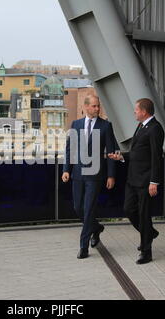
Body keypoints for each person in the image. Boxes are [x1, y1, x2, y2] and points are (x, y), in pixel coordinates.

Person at [108, 98, 164, 265]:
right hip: (133, 179)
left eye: (136, 110)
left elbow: (156, 157)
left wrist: (154, 181)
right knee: (128, 209)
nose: (134, 112)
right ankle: (150, 233)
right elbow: (137, 153)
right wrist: (121, 157)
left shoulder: (155, 128)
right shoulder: (141, 126)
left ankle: (146, 252)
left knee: (144, 215)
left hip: (146, 180)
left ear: (144, 111)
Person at [62, 94, 118, 259]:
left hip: (95, 175)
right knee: (77, 208)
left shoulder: (106, 126)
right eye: (94, 106)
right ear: (86, 107)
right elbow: (69, 149)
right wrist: (66, 170)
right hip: (78, 174)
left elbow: (112, 152)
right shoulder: (76, 124)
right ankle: (96, 228)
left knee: (88, 210)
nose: (97, 109)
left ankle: (83, 247)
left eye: (98, 106)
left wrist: (111, 175)